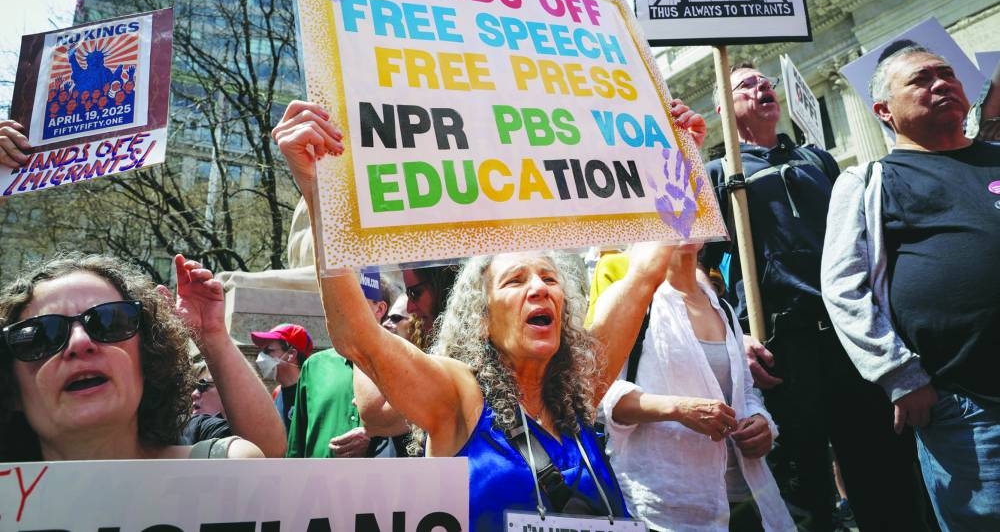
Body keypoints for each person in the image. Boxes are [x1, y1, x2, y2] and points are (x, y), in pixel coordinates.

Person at [273, 100, 698, 529]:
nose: (539, 289)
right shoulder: (458, 397)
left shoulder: (581, 387)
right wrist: (318, 193)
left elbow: (643, 275)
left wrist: (678, 160)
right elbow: (360, 339)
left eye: (550, 279)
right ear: (481, 318)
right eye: (515, 281)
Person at [700, 62, 927, 531]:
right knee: (803, 489)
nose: (761, 88)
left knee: (883, 473)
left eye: (764, 82)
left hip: (849, 338)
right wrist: (737, 335)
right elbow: (698, 268)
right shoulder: (719, 174)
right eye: (745, 85)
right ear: (723, 107)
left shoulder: (816, 161)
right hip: (781, 349)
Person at [821, 43, 1000, 530]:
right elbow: (844, 288)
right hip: (968, 408)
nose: (942, 83)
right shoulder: (868, 181)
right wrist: (898, 374)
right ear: (883, 110)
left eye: (947, 74)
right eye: (921, 79)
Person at [602, 243, 794, 531]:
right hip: (669, 506)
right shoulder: (629, 299)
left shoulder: (722, 307)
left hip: (743, 496)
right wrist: (678, 409)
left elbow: (744, 392)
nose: (682, 222)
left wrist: (760, 422)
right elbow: (599, 397)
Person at [0, 253, 262, 460]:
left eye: (110, 322)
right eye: (43, 336)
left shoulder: (225, 466)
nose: (80, 342)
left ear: (149, 359)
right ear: (11, 389)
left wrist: (212, 335)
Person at [170, 254, 287, 456]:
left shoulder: (200, 431)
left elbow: (266, 452)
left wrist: (212, 334)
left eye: (203, 385)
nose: (194, 394)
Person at [286, 270, 394, 458]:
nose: (341, 307)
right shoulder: (314, 366)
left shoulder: (401, 367)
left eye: (351, 299)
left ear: (380, 309)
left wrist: (376, 437)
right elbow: (296, 447)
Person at [250, 322, 312, 432]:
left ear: (291, 354)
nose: (261, 357)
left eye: (268, 351)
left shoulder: (312, 393)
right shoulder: (277, 393)